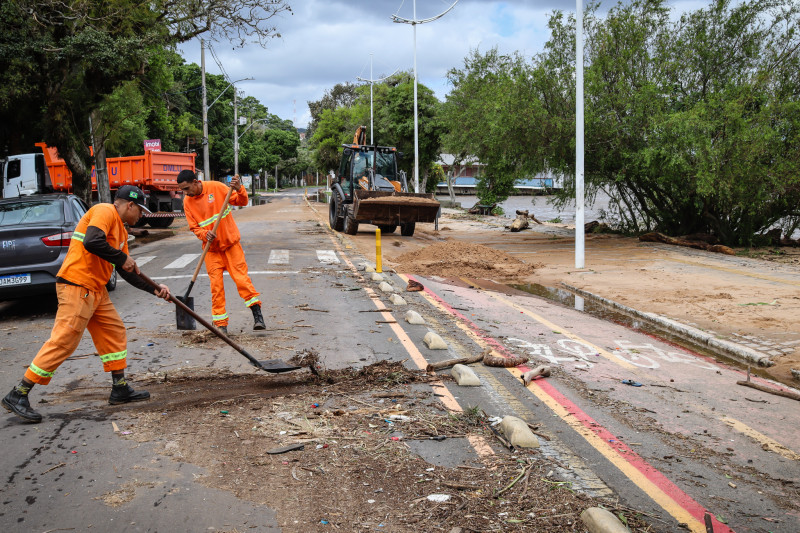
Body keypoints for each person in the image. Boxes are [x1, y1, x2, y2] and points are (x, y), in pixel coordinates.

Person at [2, 186, 171, 423]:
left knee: (114, 332)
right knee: (64, 340)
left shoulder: (121, 231)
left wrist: (155, 288)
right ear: (129, 205)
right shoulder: (104, 211)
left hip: (96, 290)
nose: (141, 215)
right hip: (77, 285)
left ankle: (119, 388)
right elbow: (92, 241)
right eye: (140, 210)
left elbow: (126, 271)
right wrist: (122, 257)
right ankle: (19, 393)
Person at [176, 170, 265, 334]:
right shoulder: (188, 202)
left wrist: (239, 189)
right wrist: (205, 234)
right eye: (182, 190)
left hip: (231, 245)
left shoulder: (216, 187)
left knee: (242, 281)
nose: (185, 193)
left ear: (195, 182)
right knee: (216, 288)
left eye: (187, 189)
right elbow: (194, 228)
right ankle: (220, 325)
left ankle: (257, 315)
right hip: (211, 251)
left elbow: (242, 201)